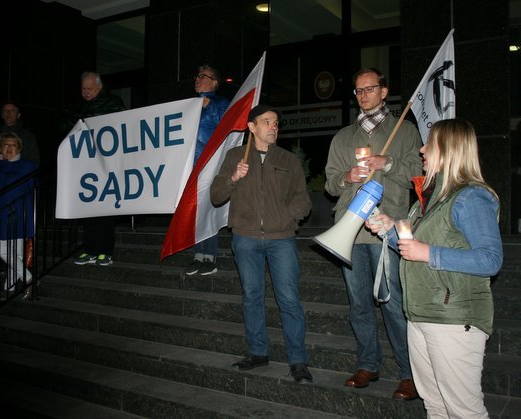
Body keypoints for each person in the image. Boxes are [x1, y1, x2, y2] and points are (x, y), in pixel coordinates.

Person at [366, 119, 503, 418]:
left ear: (449, 149)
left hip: (454, 319)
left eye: (430, 144)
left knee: (464, 410)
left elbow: (490, 260)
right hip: (421, 316)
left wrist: (428, 252)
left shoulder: (471, 197)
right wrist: (388, 230)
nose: (422, 149)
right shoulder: (429, 200)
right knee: (436, 406)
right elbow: (411, 249)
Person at [324, 68, 422, 400]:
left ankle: (409, 372)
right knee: (359, 304)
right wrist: (347, 177)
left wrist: (389, 163)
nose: (364, 94)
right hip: (350, 231)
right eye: (359, 90)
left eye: (370, 88)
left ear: (384, 91)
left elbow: (420, 175)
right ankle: (369, 364)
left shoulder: (405, 130)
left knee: (393, 303)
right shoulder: (343, 137)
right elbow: (329, 183)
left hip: (387, 228)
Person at [210, 104, 313, 384]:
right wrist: (234, 178)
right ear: (252, 127)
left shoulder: (289, 160)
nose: (273, 127)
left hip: (282, 239)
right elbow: (216, 195)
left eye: (276, 122)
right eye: (266, 122)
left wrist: (287, 217)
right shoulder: (235, 156)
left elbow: (303, 199)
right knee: (252, 297)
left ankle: (298, 360)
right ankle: (258, 352)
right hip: (245, 237)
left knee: (289, 300)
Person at [68, 72, 126, 267]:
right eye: (83, 89)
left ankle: (105, 251)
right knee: (88, 208)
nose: (85, 92)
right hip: (86, 164)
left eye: (89, 89)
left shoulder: (113, 103)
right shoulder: (77, 106)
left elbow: (121, 125)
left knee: (105, 209)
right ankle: (89, 249)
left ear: (99, 88)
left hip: (106, 163)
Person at [184, 64, 230, 276]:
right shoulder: (188, 105)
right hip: (188, 167)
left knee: (207, 210)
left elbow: (228, 126)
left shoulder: (220, 103)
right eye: (197, 75)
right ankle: (198, 255)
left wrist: (209, 105)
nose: (198, 78)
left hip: (210, 165)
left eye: (203, 76)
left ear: (215, 83)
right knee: (194, 212)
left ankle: (209, 257)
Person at [0, 132, 36, 298]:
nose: (9, 148)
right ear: (0, 147)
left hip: (20, 212)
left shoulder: (28, 166)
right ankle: (29, 279)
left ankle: (9, 288)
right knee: (3, 251)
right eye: (5, 145)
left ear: (19, 148)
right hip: (0, 214)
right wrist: (3, 164)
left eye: (13, 145)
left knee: (18, 254)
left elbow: (30, 188)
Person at [0, 101, 40, 188]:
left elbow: (34, 162)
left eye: (12, 110)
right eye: (5, 110)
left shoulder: (28, 137)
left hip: (19, 188)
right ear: (2, 115)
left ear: (18, 115)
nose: (8, 113)